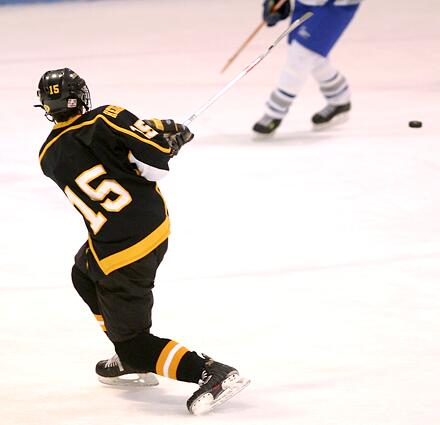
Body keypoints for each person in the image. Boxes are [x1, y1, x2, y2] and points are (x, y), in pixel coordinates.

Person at [36, 68, 249, 415]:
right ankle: (130, 354)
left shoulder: (48, 154)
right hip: (137, 230)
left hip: (122, 246)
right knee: (82, 273)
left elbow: (98, 146)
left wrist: (153, 132)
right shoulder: (108, 115)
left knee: (135, 345)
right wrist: (168, 140)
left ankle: (211, 373)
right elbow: (154, 162)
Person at [253, 0, 362, 134]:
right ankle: (339, 98)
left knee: (302, 55)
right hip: (306, 3)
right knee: (310, 55)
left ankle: (275, 112)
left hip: (335, 5)